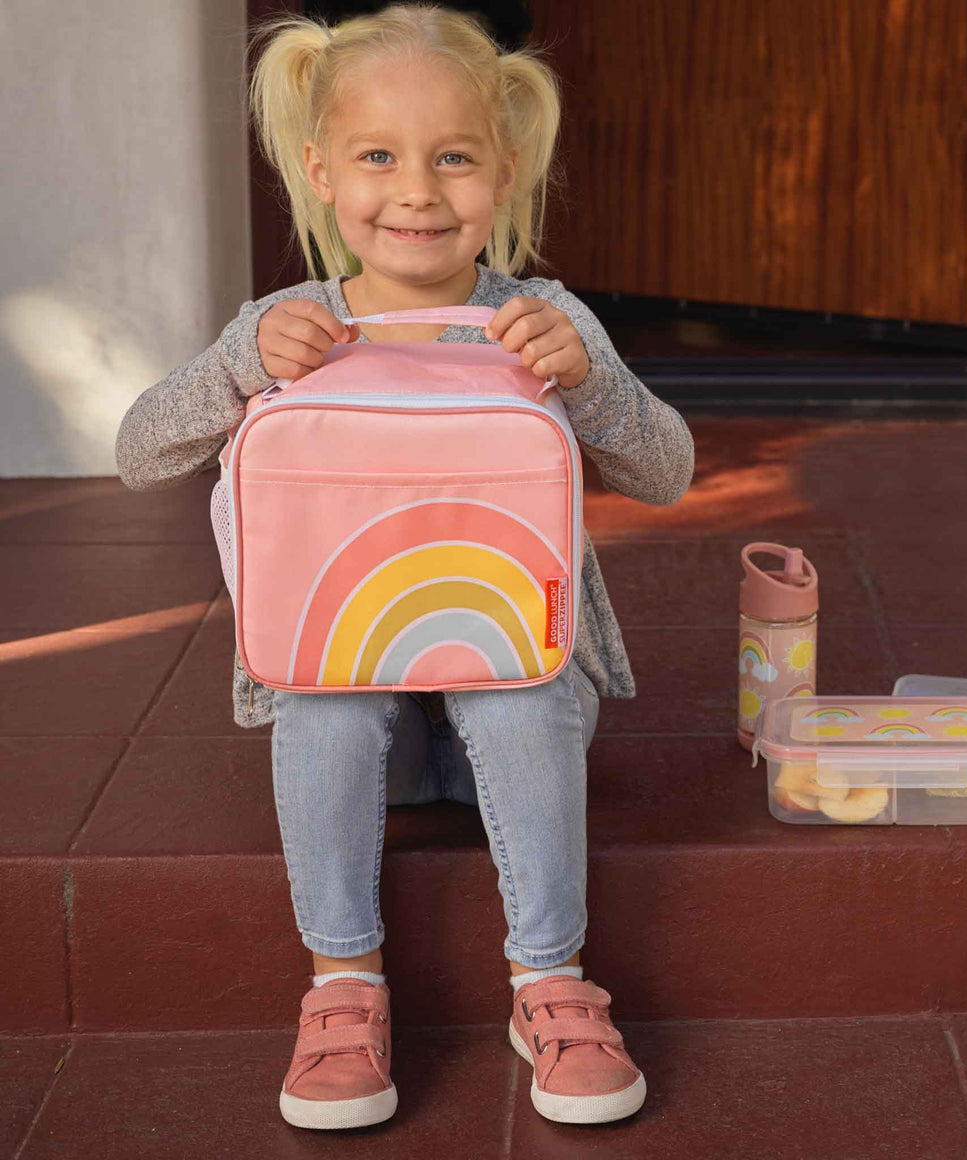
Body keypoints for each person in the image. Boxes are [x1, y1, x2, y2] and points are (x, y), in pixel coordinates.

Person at [114, 1, 694, 1132]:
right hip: (352, 698)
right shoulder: (286, 324)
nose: (417, 190)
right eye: (378, 156)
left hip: (515, 694)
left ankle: (549, 981)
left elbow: (665, 469)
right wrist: (238, 365)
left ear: (505, 171)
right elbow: (141, 452)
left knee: (516, 690)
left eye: (453, 158)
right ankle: (343, 983)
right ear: (322, 171)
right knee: (323, 705)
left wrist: (587, 381)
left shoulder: (543, 318)